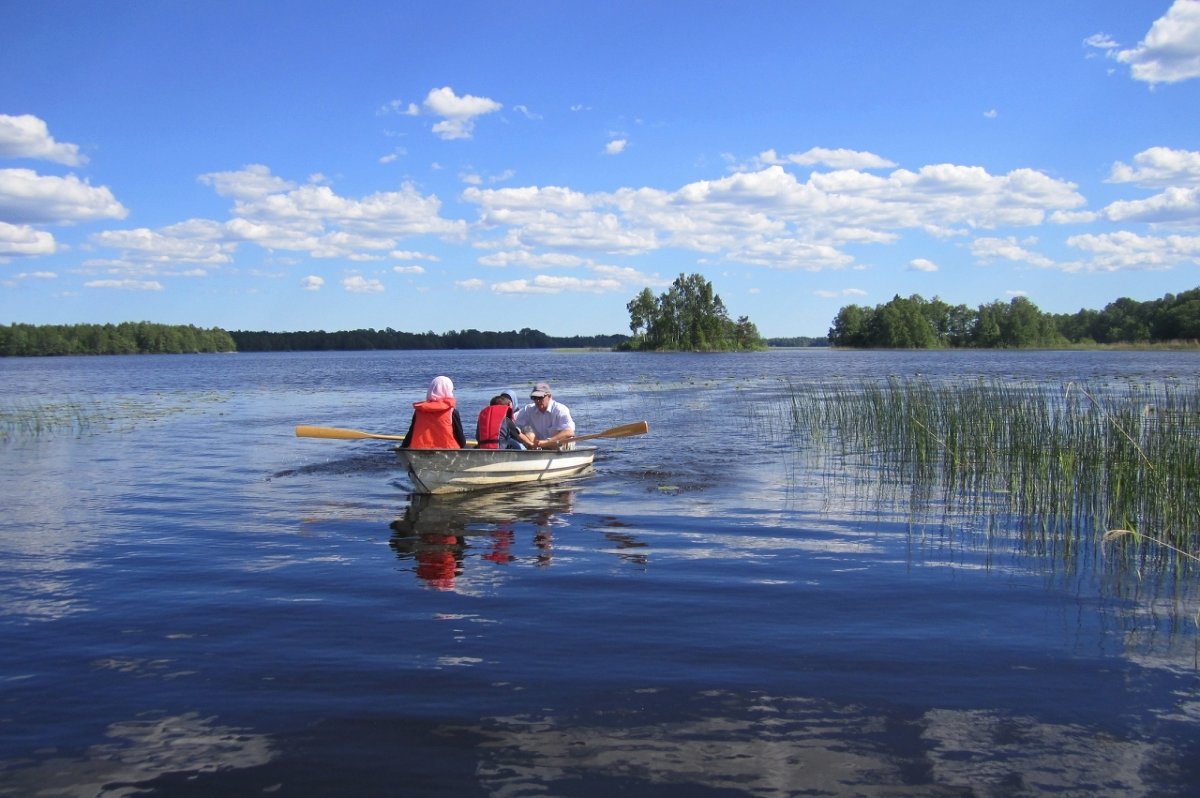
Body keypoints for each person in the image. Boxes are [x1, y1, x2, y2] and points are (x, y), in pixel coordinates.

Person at [400, 375, 467, 449]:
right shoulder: (452, 412)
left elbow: (410, 435)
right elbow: (461, 441)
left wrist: (402, 447)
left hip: (420, 452)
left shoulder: (419, 411)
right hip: (448, 452)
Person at [513, 382, 575, 449]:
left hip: (558, 445)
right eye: (534, 398)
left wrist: (547, 442)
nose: (537, 401)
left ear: (549, 397)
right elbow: (514, 427)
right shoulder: (528, 410)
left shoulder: (560, 409)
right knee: (526, 429)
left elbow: (569, 432)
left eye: (540, 397)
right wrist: (528, 442)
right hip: (539, 445)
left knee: (565, 437)